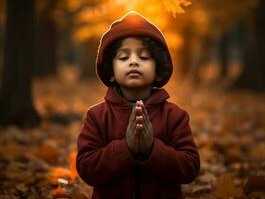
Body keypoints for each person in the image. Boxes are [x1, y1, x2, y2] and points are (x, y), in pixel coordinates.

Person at [76, 12, 200, 199]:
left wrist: (152, 148)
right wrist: (127, 148)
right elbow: (87, 169)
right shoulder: (97, 116)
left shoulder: (175, 116)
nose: (133, 61)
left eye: (144, 56)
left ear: (158, 69)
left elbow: (189, 168)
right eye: (124, 57)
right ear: (111, 71)